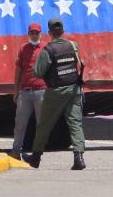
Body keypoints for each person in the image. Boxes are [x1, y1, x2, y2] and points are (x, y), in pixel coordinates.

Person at [25, 18, 86, 170]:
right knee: (75, 124)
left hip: (55, 92)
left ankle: (36, 157)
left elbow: (38, 72)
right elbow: (79, 64)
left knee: (44, 125)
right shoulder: (73, 45)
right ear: (63, 31)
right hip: (74, 90)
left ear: (49, 33)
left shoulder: (48, 50)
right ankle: (79, 157)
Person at [8, 23, 45, 160]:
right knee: (20, 123)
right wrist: (16, 90)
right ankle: (16, 151)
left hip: (41, 91)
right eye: (32, 33)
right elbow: (18, 70)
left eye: (37, 33)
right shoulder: (23, 48)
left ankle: (37, 153)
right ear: (28, 34)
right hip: (25, 92)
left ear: (41, 34)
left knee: (41, 124)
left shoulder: (46, 48)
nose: (34, 35)